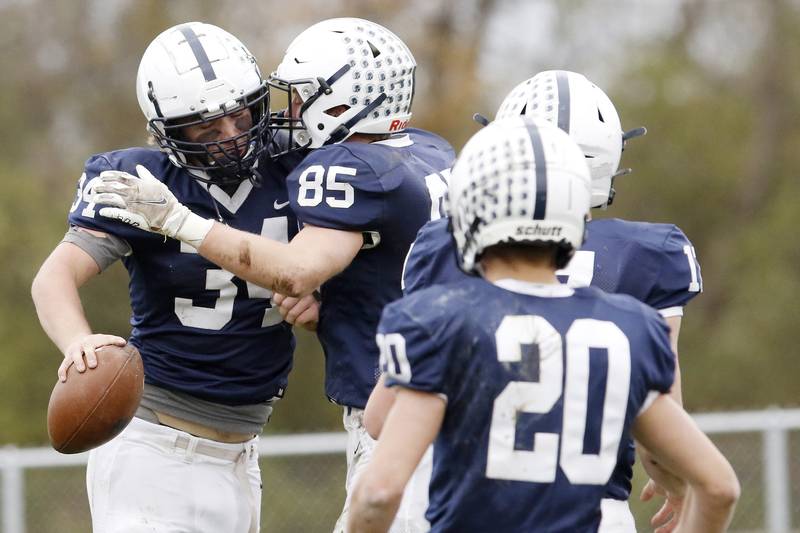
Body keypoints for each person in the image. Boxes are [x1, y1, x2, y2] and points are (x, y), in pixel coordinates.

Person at [93, 17, 455, 532]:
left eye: (304, 96)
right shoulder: (429, 151)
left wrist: (181, 222)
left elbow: (293, 270)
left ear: (340, 101)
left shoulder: (348, 166)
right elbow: (395, 272)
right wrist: (329, 308)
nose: (291, 112)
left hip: (399, 416)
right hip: (452, 401)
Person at [347, 116, 739, 533]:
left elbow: (379, 491)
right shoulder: (629, 329)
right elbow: (718, 488)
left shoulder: (439, 322)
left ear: (466, 210)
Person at [31, 22, 302, 533]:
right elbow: (54, 277)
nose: (233, 137)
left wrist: (315, 298)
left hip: (244, 454)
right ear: (169, 135)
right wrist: (76, 342)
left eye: (241, 114)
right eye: (207, 131)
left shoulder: (295, 167)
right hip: (155, 451)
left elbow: (334, 272)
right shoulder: (143, 183)